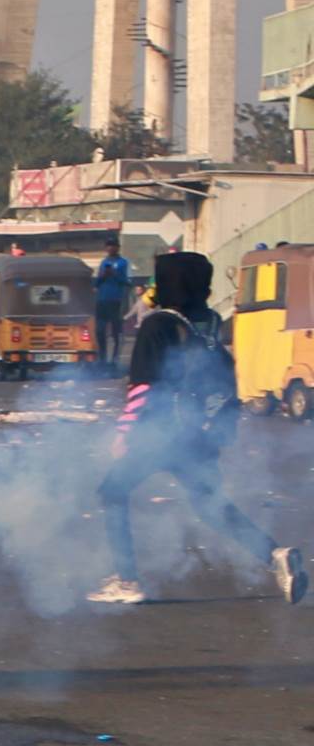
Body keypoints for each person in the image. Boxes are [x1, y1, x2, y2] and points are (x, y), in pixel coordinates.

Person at [88, 251, 305, 607]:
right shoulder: (208, 319)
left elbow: (144, 386)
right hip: (197, 434)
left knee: (112, 492)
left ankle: (126, 580)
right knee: (210, 505)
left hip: (160, 433)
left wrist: (125, 432)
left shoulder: (158, 324)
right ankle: (274, 555)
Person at [94, 237, 131, 367]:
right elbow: (97, 283)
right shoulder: (103, 262)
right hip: (102, 300)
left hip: (116, 300)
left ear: (117, 247)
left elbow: (127, 282)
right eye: (108, 245)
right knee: (100, 330)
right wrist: (103, 276)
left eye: (113, 245)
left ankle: (115, 359)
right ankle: (103, 359)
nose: (110, 248)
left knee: (116, 332)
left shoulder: (123, 263)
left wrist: (114, 274)